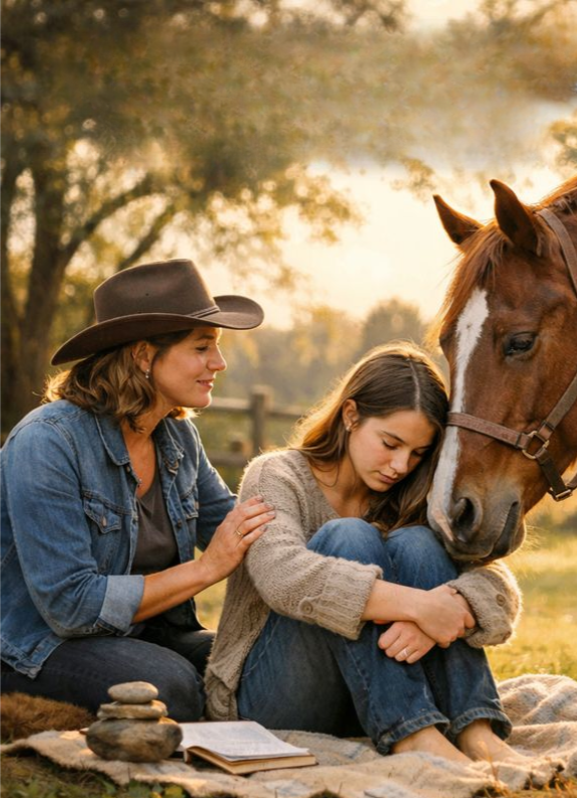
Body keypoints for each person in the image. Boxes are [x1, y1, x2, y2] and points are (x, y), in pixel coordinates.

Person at [206, 342, 528, 767]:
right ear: (351, 415)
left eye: (417, 454)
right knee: (348, 537)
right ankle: (413, 737)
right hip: (270, 702)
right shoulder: (277, 475)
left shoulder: (411, 494)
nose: (400, 465)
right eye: (390, 443)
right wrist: (421, 606)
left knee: (419, 544)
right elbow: (281, 576)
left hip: (362, 702)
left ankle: (475, 730)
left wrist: (445, 613)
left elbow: (497, 583)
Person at [0, 259, 273, 722]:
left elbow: (235, 524)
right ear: (144, 357)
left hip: (148, 635)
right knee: (169, 688)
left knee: (257, 662)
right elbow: (71, 606)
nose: (218, 363)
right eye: (202, 347)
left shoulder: (177, 437)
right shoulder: (48, 443)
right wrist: (207, 569)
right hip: (39, 645)